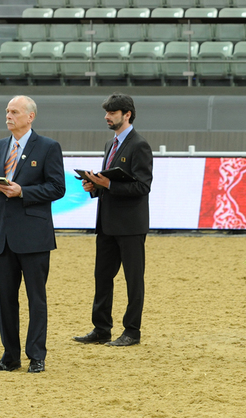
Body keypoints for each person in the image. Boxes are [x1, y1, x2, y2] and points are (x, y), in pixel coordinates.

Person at [0, 96, 66, 374]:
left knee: (36, 299)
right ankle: (10, 356)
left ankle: (36, 355)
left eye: (14, 112)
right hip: (1, 237)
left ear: (31, 116)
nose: (8, 116)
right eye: (7, 111)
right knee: (4, 300)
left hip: (34, 237)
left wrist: (23, 191)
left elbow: (57, 188)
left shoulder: (49, 147)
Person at [74, 93, 153, 348]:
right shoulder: (111, 144)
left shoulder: (139, 145)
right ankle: (101, 329)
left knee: (133, 279)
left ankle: (132, 331)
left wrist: (107, 183)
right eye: (107, 113)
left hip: (130, 226)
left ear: (127, 114)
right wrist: (94, 186)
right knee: (102, 277)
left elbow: (143, 187)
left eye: (112, 113)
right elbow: (109, 183)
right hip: (107, 223)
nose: (107, 117)